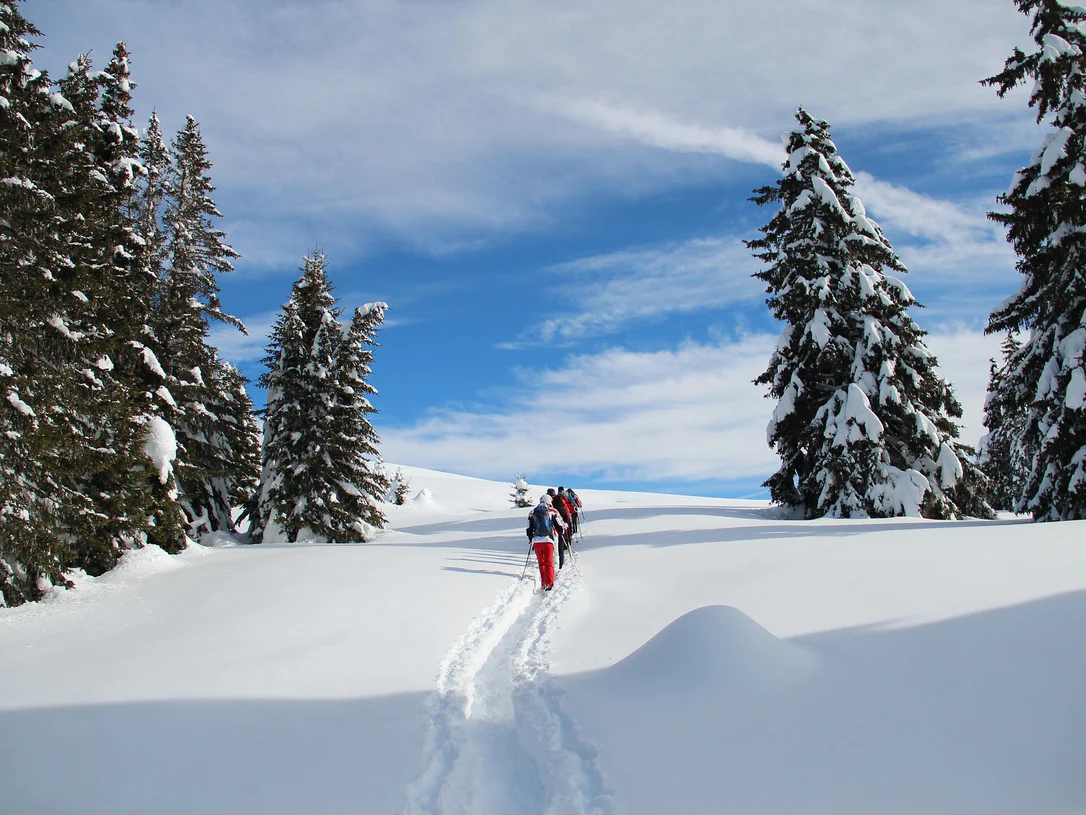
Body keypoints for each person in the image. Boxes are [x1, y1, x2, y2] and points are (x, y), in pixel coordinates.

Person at [526, 494, 564, 590]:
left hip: (537, 542)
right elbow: (559, 527)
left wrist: (531, 540)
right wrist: (560, 533)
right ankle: (550, 584)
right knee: (548, 563)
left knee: (541, 563)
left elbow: (529, 530)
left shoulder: (532, 512)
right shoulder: (551, 512)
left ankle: (544, 583)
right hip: (548, 541)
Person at [552, 487, 575, 569]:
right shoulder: (562, 505)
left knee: (555, 549)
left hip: (553, 530)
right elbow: (566, 517)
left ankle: (555, 564)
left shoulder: (553, 504)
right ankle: (560, 565)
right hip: (561, 529)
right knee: (560, 548)